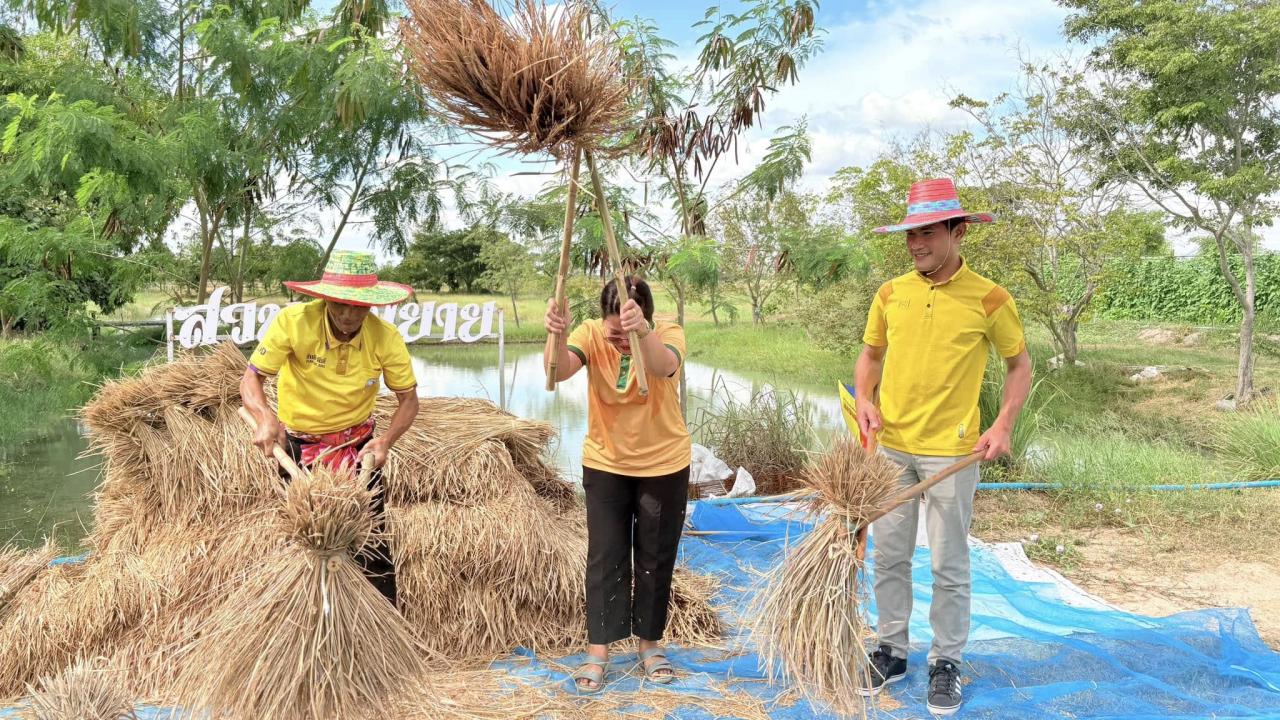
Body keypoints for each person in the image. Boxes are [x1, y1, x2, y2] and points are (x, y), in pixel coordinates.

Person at [853, 179, 1031, 716]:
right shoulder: (890, 294)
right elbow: (871, 356)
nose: (915, 244)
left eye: (926, 232)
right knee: (889, 555)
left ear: (957, 231)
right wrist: (864, 398)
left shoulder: (990, 298)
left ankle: (946, 662)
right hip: (892, 449)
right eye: (910, 234)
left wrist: (1002, 424)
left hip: (954, 454)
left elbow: (1018, 365)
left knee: (949, 563)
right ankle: (891, 649)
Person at [240, 250, 420, 604]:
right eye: (339, 304)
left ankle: (382, 633)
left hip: (357, 449)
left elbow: (409, 401)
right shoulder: (293, 323)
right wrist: (264, 416)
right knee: (303, 543)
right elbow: (252, 378)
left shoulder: (385, 337)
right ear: (324, 298)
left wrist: (385, 441)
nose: (348, 315)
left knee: (371, 543)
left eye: (359, 306)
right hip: (299, 446)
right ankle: (303, 624)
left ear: (371, 306)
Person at [543, 277, 690, 693]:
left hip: (664, 463)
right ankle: (598, 650)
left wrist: (640, 333)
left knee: (654, 556)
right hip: (606, 461)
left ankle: (649, 644)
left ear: (645, 317)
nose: (618, 341)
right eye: (614, 332)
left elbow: (663, 366)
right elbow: (557, 371)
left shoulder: (667, 332)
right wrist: (553, 335)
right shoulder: (589, 333)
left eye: (626, 331)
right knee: (605, 555)